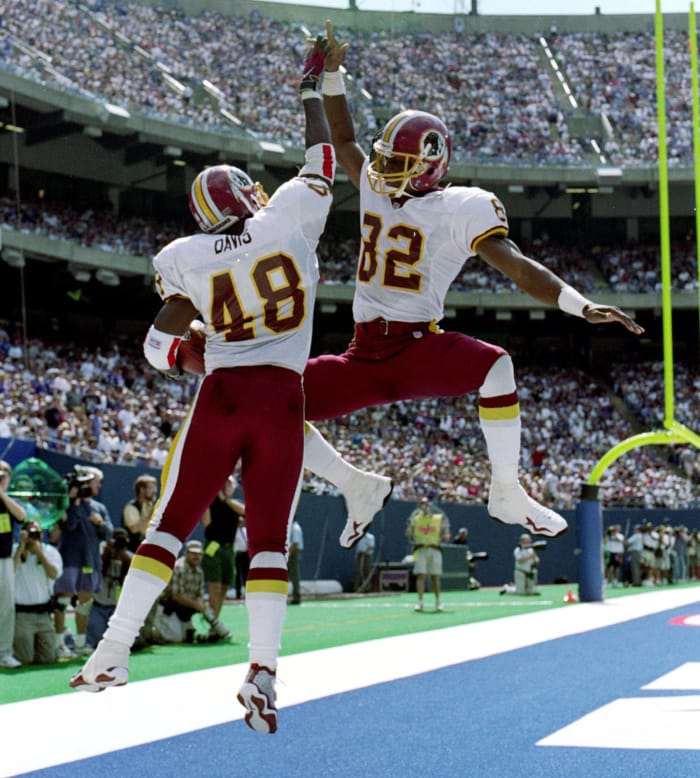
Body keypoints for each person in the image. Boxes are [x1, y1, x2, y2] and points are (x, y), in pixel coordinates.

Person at [70, 37, 337, 736]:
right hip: (283, 398)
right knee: (270, 542)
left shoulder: (182, 258)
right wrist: (312, 90)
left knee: (168, 529)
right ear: (248, 194)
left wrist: (195, 356)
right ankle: (263, 671)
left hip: (220, 396)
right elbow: (324, 162)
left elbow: (156, 346)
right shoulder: (287, 216)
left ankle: (111, 651)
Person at [299, 19, 645, 550]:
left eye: (399, 163)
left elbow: (514, 263)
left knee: (496, 365)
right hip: (361, 354)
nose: (384, 170)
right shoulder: (376, 184)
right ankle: (354, 484)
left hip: (416, 346)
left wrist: (579, 305)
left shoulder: (460, 208)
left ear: (432, 168)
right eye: (386, 159)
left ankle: (506, 490)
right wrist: (334, 76)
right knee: (269, 396)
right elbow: (344, 139)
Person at [53, 465, 113, 657]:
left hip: (91, 560)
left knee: (84, 602)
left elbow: (108, 533)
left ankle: (80, 642)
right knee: (62, 599)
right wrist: (72, 501)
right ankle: (59, 643)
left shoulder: (99, 508)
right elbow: (68, 526)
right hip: (69, 558)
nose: (98, 486)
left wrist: (100, 523)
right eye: (95, 482)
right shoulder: (68, 504)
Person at [151, 539, 229, 644]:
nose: (196, 557)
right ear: (186, 553)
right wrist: (198, 606)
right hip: (168, 609)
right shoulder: (178, 568)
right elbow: (176, 596)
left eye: (199, 554)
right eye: (193, 553)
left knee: (187, 637)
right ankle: (153, 631)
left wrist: (203, 608)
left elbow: (199, 595)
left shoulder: (199, 571)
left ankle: (209, 631)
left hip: (184, 611)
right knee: (176, 639)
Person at [12, 520, 63, 665]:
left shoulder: (49, 551)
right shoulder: (15, 549)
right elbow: (9, 574)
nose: (34, 537)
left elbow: (54, 574)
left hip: (43, 615)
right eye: (30, 533)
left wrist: (40, 554)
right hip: (23, 616)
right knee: (25, 658)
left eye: (37, 533)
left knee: (48, 658)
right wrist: (21, 547)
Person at [201, 475, 244, 618]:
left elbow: (244, 511)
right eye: (223, 484)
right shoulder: (211, 503)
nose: (226, 487)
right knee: (215, 585)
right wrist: (207, 499)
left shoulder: (234, 504)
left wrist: (225, 499)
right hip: (213, 545)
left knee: (225, 585)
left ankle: (215, 618)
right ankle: (213, 620)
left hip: (229, 548)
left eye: (229, 485)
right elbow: (206, 523)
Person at [84, 528, 132, 652]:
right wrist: (107, 553)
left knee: (120, 643)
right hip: (99, 605)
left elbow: (130, 576)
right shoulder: (103, 554)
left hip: (117, 608)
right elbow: (98, 571)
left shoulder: (128, 557)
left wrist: (122, 556)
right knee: (95, 640)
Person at [0, 459, 27, 668]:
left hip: (5, 560)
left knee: (6, 607)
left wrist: (1, 494)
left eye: (4, 476)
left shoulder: (8, 501)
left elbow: (22, 516)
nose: (2, 479)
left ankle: (4, 652)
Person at [406, 498, 450, 612]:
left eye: (426, 505)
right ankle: (420, 602)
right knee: (421, 576)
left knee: (435, 577)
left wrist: (445, 536)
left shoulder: (438, 519)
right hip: (420, 549)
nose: (425, 507)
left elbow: (446, 533)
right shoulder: (415, 519)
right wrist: (409, 529)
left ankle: (438, 601)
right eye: (422, 505)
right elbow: (408, 535)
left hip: (434, 549)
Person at [122, 474, 158, 552]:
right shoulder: (131, 507)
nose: (155, 491)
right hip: (133, 551)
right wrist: (151, 514)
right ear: (141, 490)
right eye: (151, 488)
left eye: (155, 488)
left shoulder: (151, 506)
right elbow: (134, 529)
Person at [288, 519, 303, 604]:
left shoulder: (295, 527)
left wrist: (288, 553)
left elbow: (295, 543)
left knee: (294, 575)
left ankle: (296, 597)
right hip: (292, 552)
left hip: (293, 553)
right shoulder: (292, 527)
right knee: (292, 575)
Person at [233, 515, 249, 600]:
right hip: (237, 555)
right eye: (239, 522)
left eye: (242, 522)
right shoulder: (233, 531)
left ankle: (247, 593)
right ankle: (238, 593)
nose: (241, 523)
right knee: (238, 575)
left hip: (246, 554)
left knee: (246, 574)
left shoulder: (245, 530)